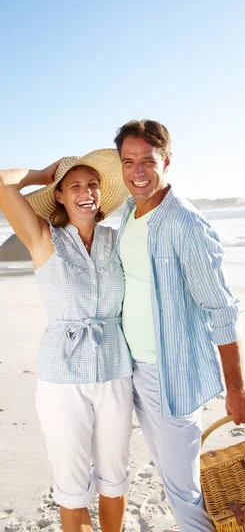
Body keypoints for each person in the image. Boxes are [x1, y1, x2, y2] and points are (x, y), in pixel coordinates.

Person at [114, 119, 245, 532]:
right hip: (134, 369)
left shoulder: (185, 224)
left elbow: (222, 309)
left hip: (171, 375)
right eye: (129, 162)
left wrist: (237, 388)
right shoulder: (129, 213)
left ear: (167, 161)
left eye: (148, 161)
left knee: (183, 491)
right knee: (170, 477)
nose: (138, 171)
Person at [0, 150, 134, 532]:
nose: (86, 191)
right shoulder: (43, 238)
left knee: (114, 478)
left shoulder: (117, 239)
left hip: (114, 371)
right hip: (62, 378)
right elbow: (2, 182)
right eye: (74, 185)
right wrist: (45, 173)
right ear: (59, 195)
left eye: (92, 184)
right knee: (73, 487)